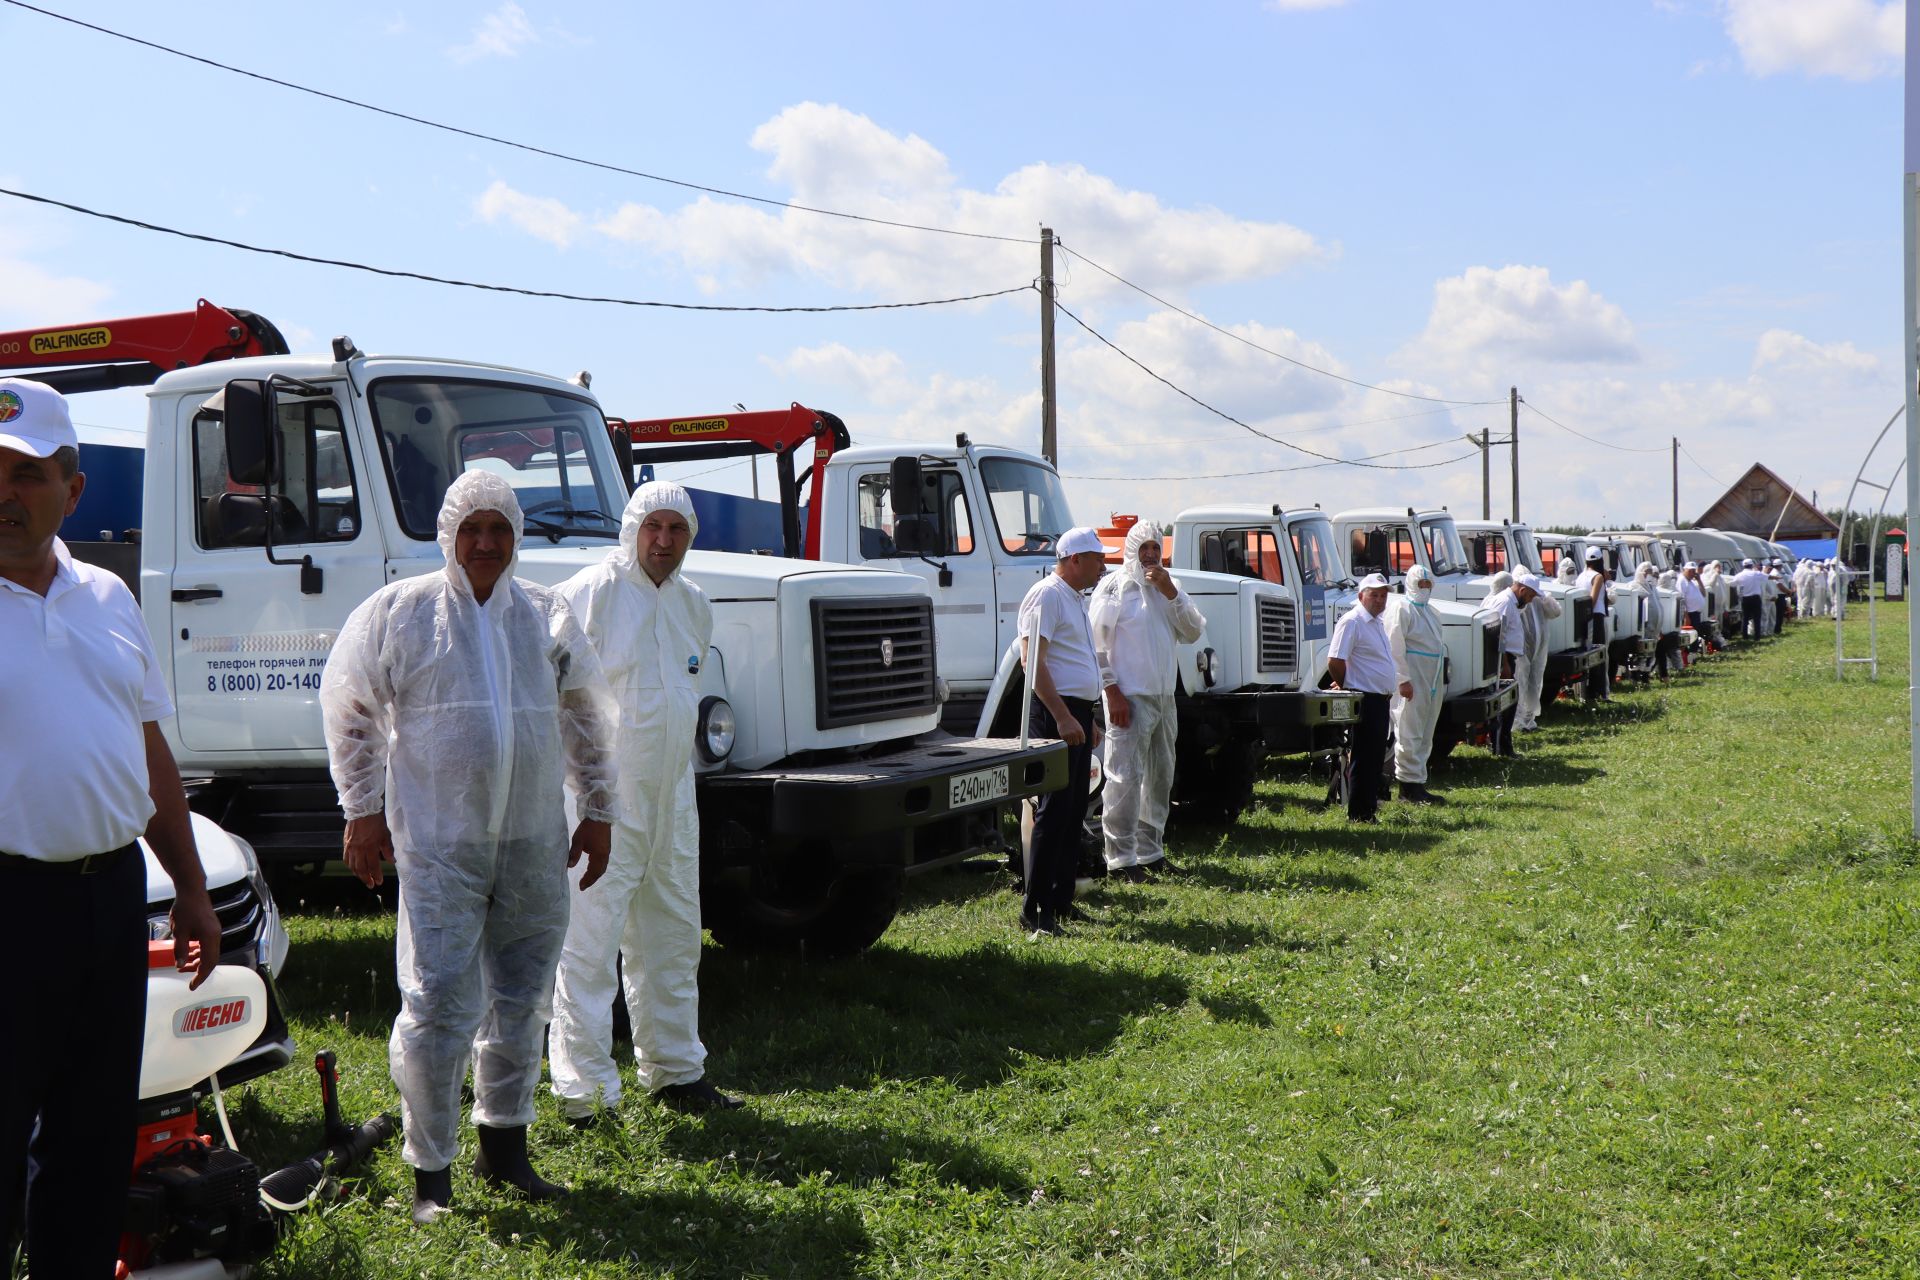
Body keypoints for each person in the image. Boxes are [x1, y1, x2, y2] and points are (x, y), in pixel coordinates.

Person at [320, 470, 619, 1224]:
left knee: (522, 999)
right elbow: (350, 706)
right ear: (448, 534)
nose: (485, 543)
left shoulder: (544, 615)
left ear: (515, 536)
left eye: (499, 529)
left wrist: (600, 808)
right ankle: (432, 1176)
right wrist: (362, 812)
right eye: (472, 529)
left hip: (530, 840)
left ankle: (504, 1147)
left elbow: (584, 715)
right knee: (437, 1004)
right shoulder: (404, 612)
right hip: (439, 844)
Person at [0, 378, 224, 1279]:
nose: (5, 497)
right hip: (8, 904)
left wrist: (196, 892)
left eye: (24, 475)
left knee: (92, 1142)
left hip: (109, 902)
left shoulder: (108, 597)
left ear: (73, 488)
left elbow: (147, 751)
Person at [549, 482, 740, 1122]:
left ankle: (677, 1072)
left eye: (676, 529)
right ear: (632, 529)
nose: (664, 541)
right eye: (652, 527)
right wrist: (586, 796)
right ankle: (585, 1093)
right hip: (601, 801)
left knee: (673, 936)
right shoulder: (590, 595)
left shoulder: (693, 605)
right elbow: (558, 698)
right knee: (591, 941)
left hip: (671, 799)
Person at [1088, 521, 1205, 880]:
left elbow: (1193, 631)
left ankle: (1150, 852)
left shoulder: (1168, 588)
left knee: (1159, 777)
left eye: (1156, 548)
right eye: (1145, 549)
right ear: (1132, 552)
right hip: (1129, 697)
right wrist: (1111, 691)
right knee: (1124, 778)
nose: (1151, 555)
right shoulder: (1115, 587)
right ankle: (1120, 859)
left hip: (1163, 697)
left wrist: (1170, 591)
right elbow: (1096, 646)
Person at [1017, 527, 1107, 935]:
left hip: (1075, 714)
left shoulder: (1073, 598)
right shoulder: (1047, 595)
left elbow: (1075, 663)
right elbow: (1032, 663)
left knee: (1073, 811)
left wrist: (1085, 715)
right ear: (1075, 559)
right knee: (1053, 812)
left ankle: (1060, 901)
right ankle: (1035, 909)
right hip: (1057, 715)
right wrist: (1063, 717)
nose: (1102, 566)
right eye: (1096, 558)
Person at [1327, 573, 1397, 821]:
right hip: (1366, 698)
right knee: (1364, 757)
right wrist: (1349, 684)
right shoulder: (1353, 621)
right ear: (1361, 596)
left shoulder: (1376, 622)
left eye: (1383, 596)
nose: (1379, 600)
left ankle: (1367, 808)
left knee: (1375, 756)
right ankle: (1359, 813)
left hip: (1380, 698)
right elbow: (1335, 660)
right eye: (1374, 595)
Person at [1385, 565, 1447, 804]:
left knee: (1425, 732)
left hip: (1431, 681)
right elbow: (1394, 646)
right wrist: (1403, 680)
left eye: (1427, 584)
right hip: (1413, 680)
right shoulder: (1401, 609)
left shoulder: (1432, 613)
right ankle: (1407, 788)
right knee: (1408, 732)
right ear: (1410, 584)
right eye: (1420, 584)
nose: (1424, 589)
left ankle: (1418, 782)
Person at [1483, 572, 1536, 755]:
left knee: (1509, 704)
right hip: (1502, 660)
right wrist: (1504, 665)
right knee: (1505, 705)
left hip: (1507, 659)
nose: (1529, 601)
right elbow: (1497, 635)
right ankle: (1500, 747)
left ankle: (1503, 746)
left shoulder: (1511, 602)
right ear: (1522, 590)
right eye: (1529, 596)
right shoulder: (1505, 602)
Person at [1576, 547, 1612, 700]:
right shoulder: (1597, 577)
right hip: (1596, 617)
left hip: (1582, 619)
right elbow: (1593, 599)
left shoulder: (1580, 576)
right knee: (1600, 656)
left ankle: (1588, 693)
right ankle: (1600, 692)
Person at [1732, 557, 1768, 639]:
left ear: (1743, 566)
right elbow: (1767, 577)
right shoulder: (1756, 574)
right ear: (1752, 565)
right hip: (1755, 598)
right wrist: (1777, 578)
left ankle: (1745, 636)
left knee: (1745, 618)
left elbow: (1732, 584)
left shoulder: (1739, 575)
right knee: (1757, 618)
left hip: (1745, 599)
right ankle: (1757, 636)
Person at [1678, 561, 1710, 651]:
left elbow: (1703, 593)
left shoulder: (1691, 582)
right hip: (1690, 613)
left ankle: (1694, 652)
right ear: (1685, 570)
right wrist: (1686, 616)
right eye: (1690, 571)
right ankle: (1691, 653)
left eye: (1694, 571)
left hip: (1695, 612)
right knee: (1691, 635)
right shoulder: (1682, 581)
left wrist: (1699, 580)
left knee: (1695, 634)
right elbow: (1682, 600)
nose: (1693, 573)